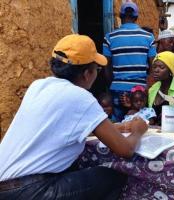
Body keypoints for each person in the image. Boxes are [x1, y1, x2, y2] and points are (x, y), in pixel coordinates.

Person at [0, 34, 148, 200]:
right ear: (87, 73)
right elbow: (126, 150)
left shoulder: (38, 86)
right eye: (97, 70)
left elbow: (66, 128)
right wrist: (137, 131)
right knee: (113, 177)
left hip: (5, 187)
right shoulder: (81, 97)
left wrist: (118, 127)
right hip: (32, 190)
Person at [103, 1, 157, 122]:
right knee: (141, 125)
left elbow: (107, 67)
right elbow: (153, 66)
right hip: (140, 90)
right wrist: (148, 87)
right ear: (136, 17)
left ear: (120, 16)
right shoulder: (148, 37)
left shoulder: (109, 37)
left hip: (117, 87)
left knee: (118, 127)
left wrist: (113, 85)